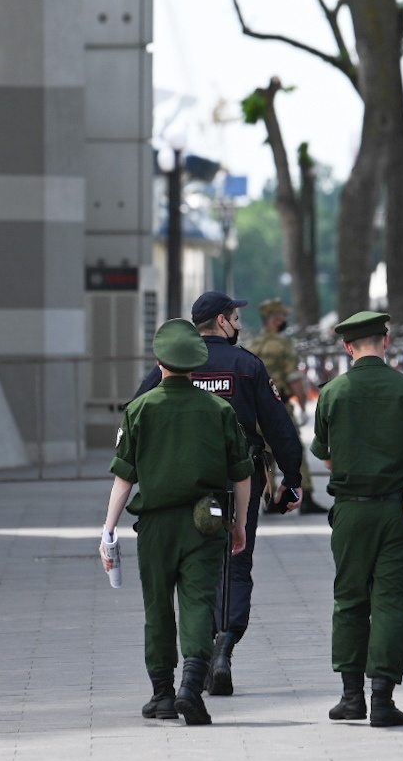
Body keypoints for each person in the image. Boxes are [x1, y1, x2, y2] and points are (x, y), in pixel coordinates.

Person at [130, 291, 304, 697]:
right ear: (222, 323)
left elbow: (136, 412)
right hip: (240, 479)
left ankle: (203, 651)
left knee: (198, 569)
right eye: (234, 317)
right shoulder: (247, 366)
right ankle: (225, 644)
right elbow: (279, 426)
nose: (239, 324)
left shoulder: (170, 365)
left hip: (189, 484)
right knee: (236, 564)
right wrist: (291, 479)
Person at [101, 319, 254, 726]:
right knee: (199, 602)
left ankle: (163, 695)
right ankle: (191, 684)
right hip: (205, 524)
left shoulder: (139, 409)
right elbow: (242, 474)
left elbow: (124, 478)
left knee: (157, 608)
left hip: (154, 527)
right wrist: (238, 523)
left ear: (159, 361)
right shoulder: (219, 410)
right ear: (197, 363)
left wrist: (108, 529)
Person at [313, 310, 403, 727]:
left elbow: (327, 455)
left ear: (347, 347)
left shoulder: (332, 393)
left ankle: (351, 698)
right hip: (399, 511)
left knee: (350, 599)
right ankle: (383, 699)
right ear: (386, 342)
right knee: (391, 601)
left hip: (352, 510)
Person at [251, 297, 326, 514]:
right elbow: (294, 378)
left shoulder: (253, 345)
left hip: (256, 410)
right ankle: (307, 496)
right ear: (274, 320)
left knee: (265, 453)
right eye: (282, 316)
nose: (285, 320)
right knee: (292, 449)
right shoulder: (283, 345)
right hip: (279, 406)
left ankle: (269, 500)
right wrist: (302, 403)